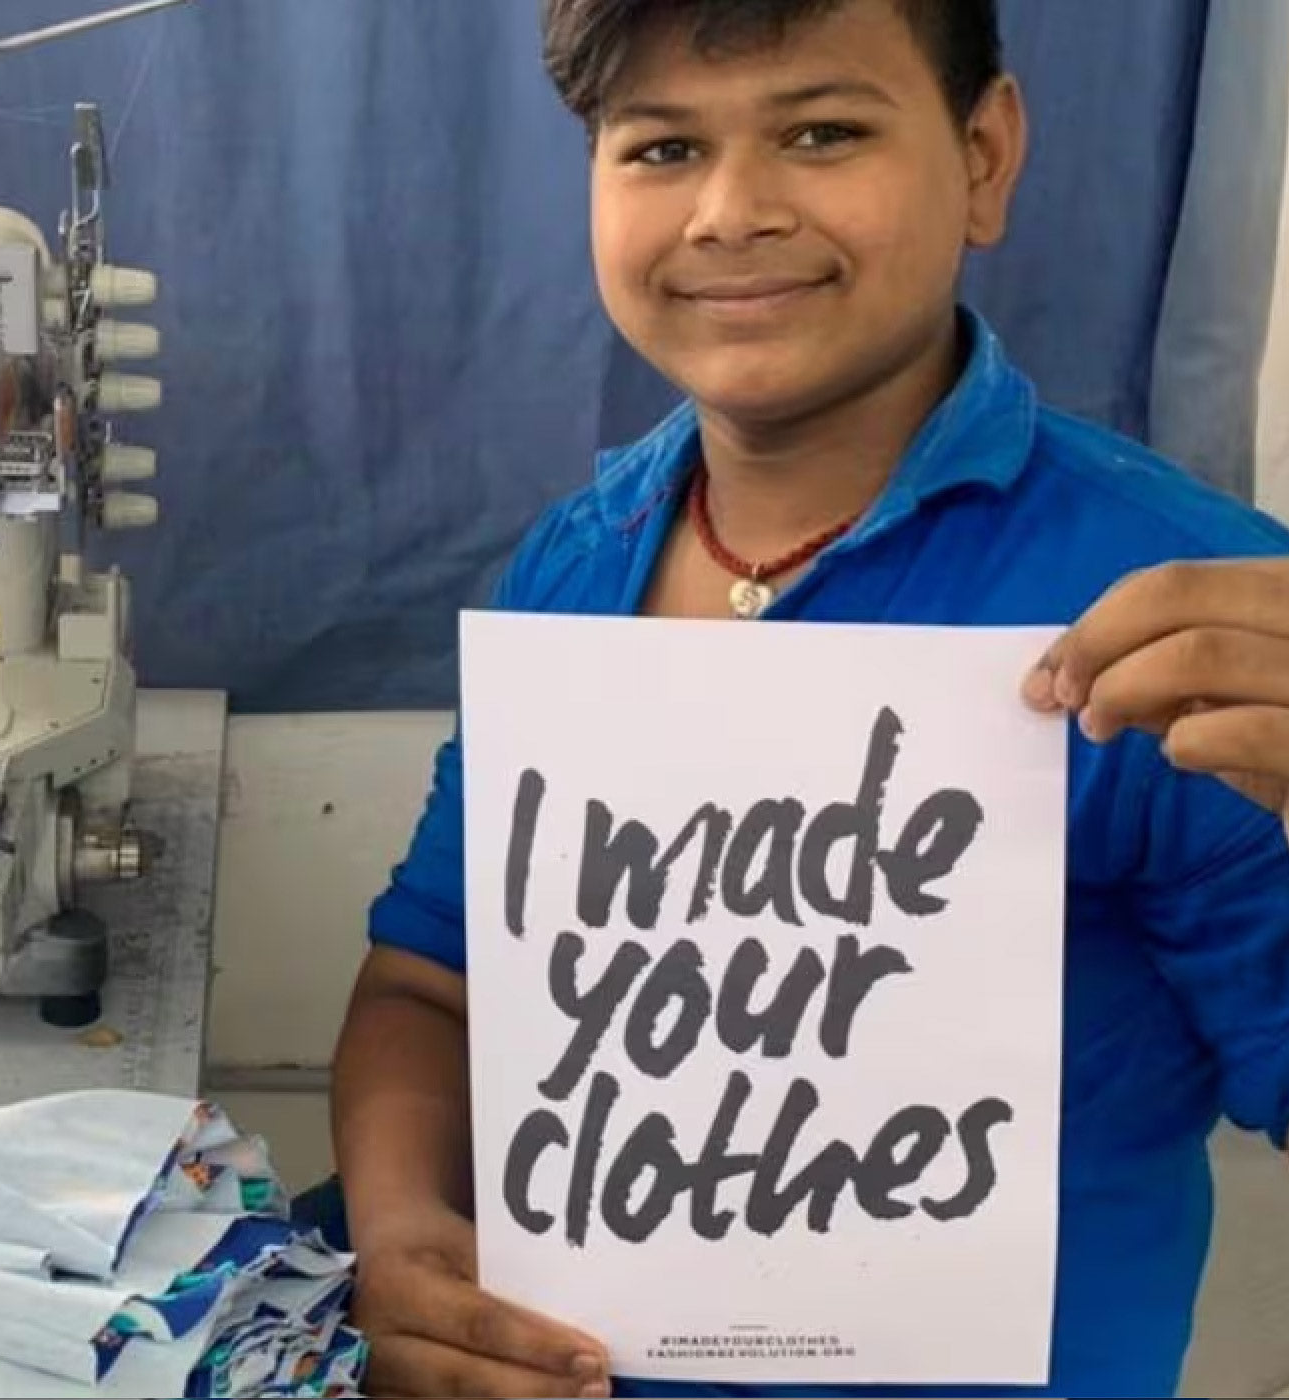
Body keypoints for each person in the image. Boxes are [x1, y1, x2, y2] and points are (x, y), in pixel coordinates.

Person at [329, 1, 1289, 1395]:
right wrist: (406, 1235)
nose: (730, 212)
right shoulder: (574, 565)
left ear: (984, 156)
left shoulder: (1182, 610)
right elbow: (433, 983)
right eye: (659, 149)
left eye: (822, 131)